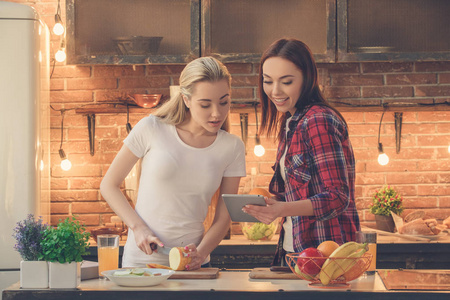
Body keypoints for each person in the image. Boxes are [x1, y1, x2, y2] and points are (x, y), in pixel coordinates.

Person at [100, 57, 246, 270]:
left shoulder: (232, 147)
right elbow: (108, 184)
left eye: (224, 102)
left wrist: (201, 253)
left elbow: (224, 217)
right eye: (205, 104)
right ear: (186, 99)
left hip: (192, 264)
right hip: (141, 262)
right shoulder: (152, 128)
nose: (217, 113)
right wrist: (138, 228)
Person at [242, 38, 360, 265]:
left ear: (307, 78)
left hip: (326, 256)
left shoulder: (318, 120)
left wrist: (281, 208)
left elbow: (338, 197)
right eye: (267, 81)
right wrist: (268, 205)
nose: (274, 91)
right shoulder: (292, 121)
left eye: (286, 81)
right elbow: (301, 194)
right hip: (295, 252)